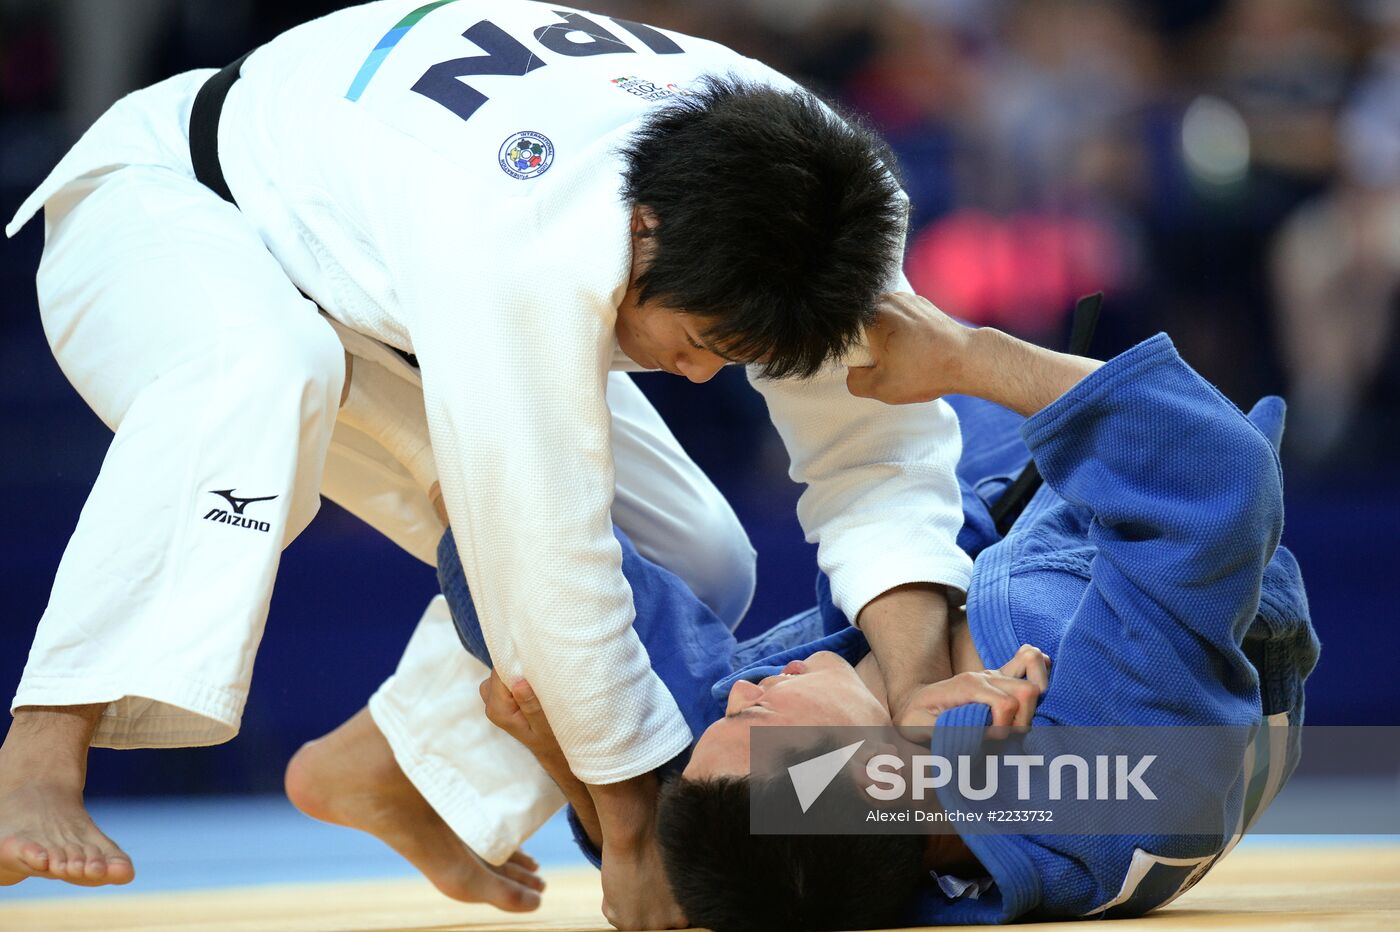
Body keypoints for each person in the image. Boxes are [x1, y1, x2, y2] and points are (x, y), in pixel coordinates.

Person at [0, 3, 975, 924]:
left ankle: (388, 762)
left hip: (377, 269)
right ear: (644, 231)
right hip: (170, 205)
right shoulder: (532, 225)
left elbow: (878, 451)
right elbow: (540, 544)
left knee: (696, 555)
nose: (699, 370)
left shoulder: (829, 205)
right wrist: (630, 827)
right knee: (263, 364)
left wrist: (911, 692)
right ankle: (41, 743)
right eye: (699, 335)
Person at [446, 293, 1318, 930]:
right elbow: (1220, 482)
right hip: (1107, 540)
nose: (746, 695)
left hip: (969, 594)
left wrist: (598, 789)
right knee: (860, 332)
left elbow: (697, 857)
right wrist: (967, 355)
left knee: (531, 599)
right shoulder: (1115, 733)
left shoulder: (837, 847)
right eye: (764, 724)